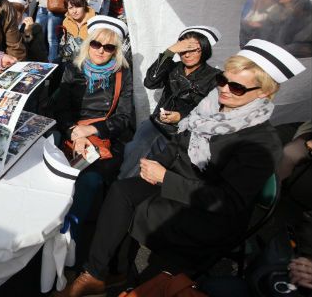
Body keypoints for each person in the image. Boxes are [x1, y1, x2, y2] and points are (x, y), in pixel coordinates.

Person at [57, 39, 306, 297]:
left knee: (136, 209)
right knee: (121, 191)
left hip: (208, 210)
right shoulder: (211, 106)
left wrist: (164, 177)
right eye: (222, 80)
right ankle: (98, 274)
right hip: (178, 181)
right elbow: (178, 143)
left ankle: (121, 274)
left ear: (264, 92)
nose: (224, 90)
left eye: (237, 87)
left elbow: (229, 202)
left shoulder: (262, 142)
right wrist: (156, 165)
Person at [53, 16, 134, 243]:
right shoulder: (72, 68)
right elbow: (61, 109)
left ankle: (69, 238)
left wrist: (94, 131)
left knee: (90, 181)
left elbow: (124, 117)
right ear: (88, 44)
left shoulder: (122, 74)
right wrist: (74, 133)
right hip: (71, 131)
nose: (100, 51)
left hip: (103, 136)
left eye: (108, 47)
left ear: (115, 51)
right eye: (96, 44)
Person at [118, 26, 221, 179]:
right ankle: (123, 185)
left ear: (205, 49)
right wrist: (169, 52)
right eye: (183, 49)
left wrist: (181, 117)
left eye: (194, 49)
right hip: (156, 124)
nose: (187, 54)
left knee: (156, 163)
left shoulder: (214, 77)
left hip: (184, 132)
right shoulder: (173, 67)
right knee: (134, 151)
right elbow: (150, 82)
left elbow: (213, 113)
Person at [59, 0, 96, 65]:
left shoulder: (95, 21)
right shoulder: (66, 22)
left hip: (90, 62)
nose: (74, 11)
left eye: (78, 6)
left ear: (84, 5)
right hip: (71, 61)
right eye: (71, 8)